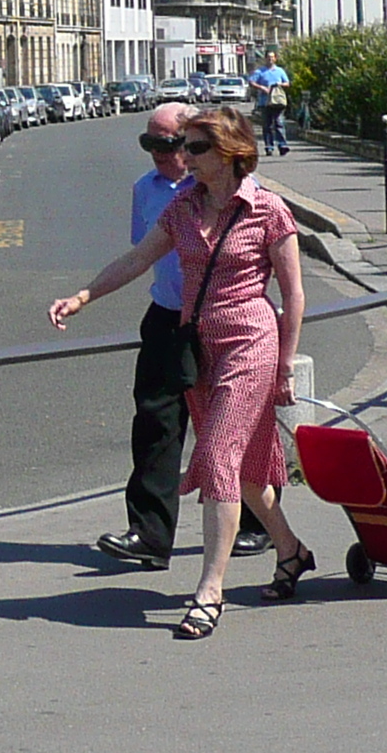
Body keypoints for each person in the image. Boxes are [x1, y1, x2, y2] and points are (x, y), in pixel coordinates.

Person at [50, 107, 314, 639]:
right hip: (198, 347)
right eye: (183, 147)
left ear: (228, 153)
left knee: (216, 456)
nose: (181, 157)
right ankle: (291, 552)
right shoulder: (182, 208)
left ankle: (208, 592)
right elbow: (136, 259)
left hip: (251, 344)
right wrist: (83, 296)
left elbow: (294, 295)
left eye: (194, 149)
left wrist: (285, 364)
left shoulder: (268, 211)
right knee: (245, 473)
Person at [95, 104, 266, 568]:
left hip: (223, 322)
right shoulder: (145, 190)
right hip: (169, 316)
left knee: (228, 429)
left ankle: (258, 525)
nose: (161, 154)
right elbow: (139, 255)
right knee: (155, 424)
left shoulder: (221, 189)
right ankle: (150, 535)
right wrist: (82, 296)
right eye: (150, 144)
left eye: (171, 143)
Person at [248, 58, 293, 155]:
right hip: (265, 102)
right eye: (268, 58)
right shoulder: (260, 71)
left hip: (277, 101)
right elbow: (251, 82)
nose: (270, 60)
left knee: (279, 123)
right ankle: (269, 146)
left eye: (272, 57)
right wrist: (262, 87)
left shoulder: (280, 71)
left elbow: (287, 83)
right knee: (267, 125)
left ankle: (282, 145)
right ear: (265, 59)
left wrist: (279, 84)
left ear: (275, 59)